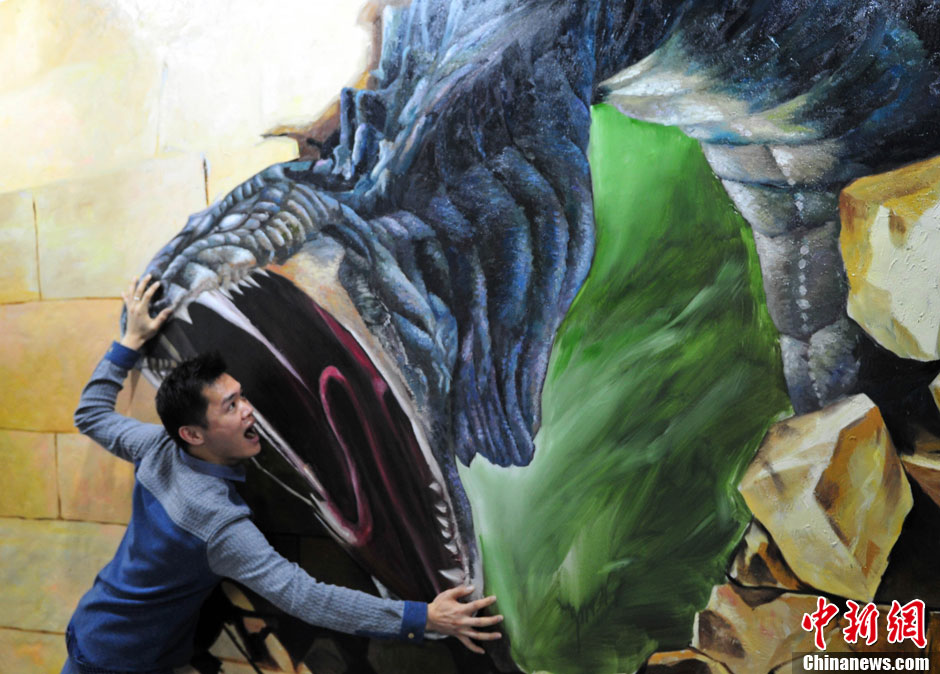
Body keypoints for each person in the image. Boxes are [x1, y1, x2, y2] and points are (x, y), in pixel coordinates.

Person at [62, 275, 502, 674]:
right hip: (120, 661)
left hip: (96, 625)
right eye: (231, 406)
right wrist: (422, 618)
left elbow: (91, 414)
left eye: (241, 396)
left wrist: (130, 342)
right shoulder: (217, 525)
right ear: (192, 434)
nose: (248, 409)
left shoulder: (156, 445)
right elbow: (305, 597)